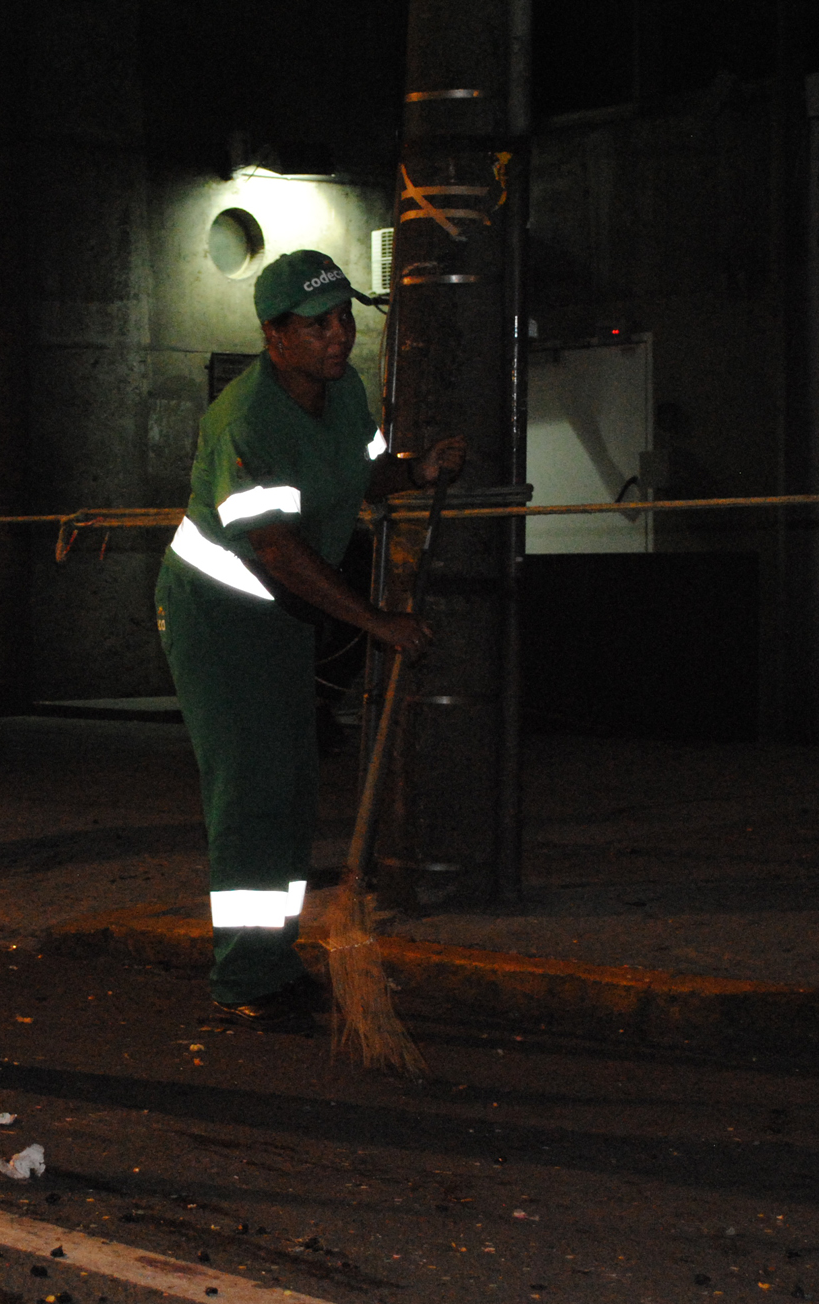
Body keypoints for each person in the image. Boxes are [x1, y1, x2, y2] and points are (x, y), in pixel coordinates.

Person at [155, 250, 464, 1029]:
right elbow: (278, 549)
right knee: (249, 789)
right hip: (220, 614)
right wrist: (376, 621)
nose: (339, 336)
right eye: (317, 324)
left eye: (343, 319)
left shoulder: (345, 391)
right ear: (273, 335)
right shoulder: (245, 418)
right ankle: (242, 975)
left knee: (290, 788)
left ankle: (272, 956)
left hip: (283, 612)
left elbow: (364, 474)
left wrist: (416, 470)